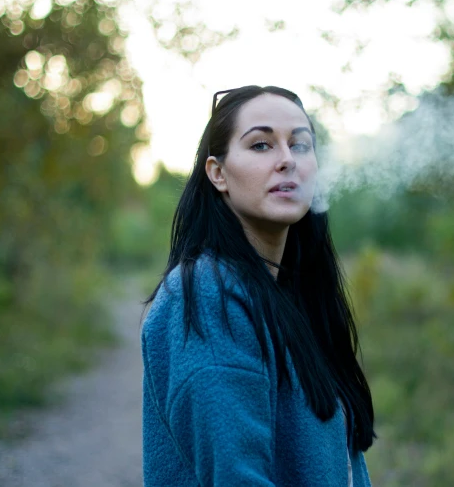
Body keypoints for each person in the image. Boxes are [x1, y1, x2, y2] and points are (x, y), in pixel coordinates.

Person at [140, 85, 375, 486]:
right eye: (262, 145)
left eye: (300, 145)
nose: (287, 160)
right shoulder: (208, 293)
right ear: (217, 173)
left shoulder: (292, 296)